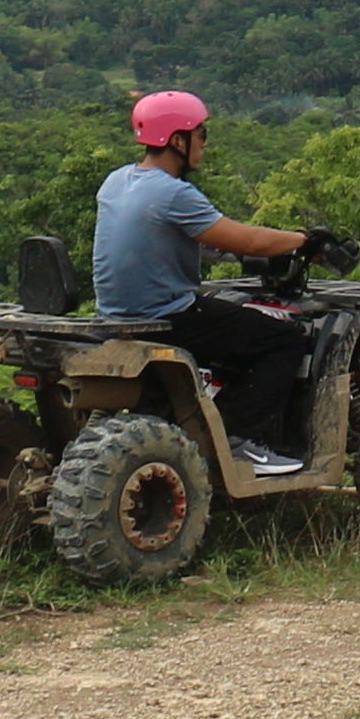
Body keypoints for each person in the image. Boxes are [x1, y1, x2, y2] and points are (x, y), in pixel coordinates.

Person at [92, 90, 315, 473]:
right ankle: (237, 439)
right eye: (202, 134)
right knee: (285, 339)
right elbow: (247, 240)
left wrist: (228, 250)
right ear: (178, 140)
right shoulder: (174, 193)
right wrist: (305, 241)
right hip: (169, 317)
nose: (205, 144)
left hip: (115, 315)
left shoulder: (117, 181)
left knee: (234, 321)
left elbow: (181, 238)